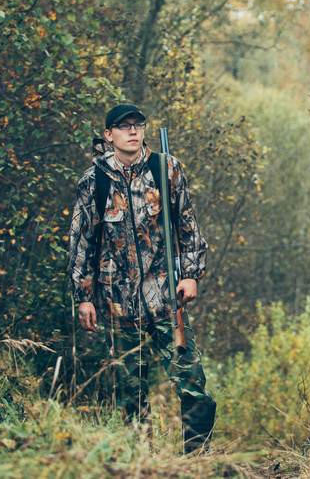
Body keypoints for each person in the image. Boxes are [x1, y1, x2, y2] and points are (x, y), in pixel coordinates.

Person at [68, 103, 217, 452]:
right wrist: (84, 296)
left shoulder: (165, 169)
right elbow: (82, 241)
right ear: (109, 135)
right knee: (129, 393)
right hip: (117, 303)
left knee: (191, 382)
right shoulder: (94, 181)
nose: (133, 131)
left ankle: (196, 460)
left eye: (138, 125)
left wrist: (191, 274)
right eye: (124, 126)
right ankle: (139, 462)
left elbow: (188, 225)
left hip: (166, 297)